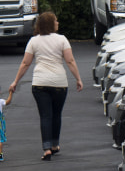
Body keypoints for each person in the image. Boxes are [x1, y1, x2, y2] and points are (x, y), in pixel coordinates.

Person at [9, 11, 83, 161]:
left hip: (40, 83)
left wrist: (16, 81)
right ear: (50, 24)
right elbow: (70, 61)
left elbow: (25, 63)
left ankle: (47, 148)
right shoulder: (62, 40)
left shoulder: (34, 41)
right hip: (59, 83)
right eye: (56, 21)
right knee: (56, 115)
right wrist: (78, 78)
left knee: (45, 116)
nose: (58, 23)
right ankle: (55, 145)